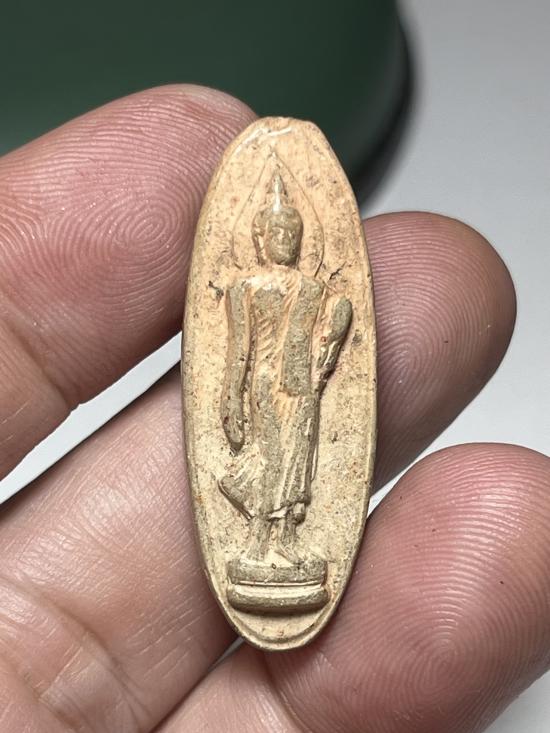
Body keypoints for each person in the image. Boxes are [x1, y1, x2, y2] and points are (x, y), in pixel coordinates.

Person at [0, 84, 547, 733]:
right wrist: (230, 399)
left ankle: (285, 543)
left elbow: (329, 343)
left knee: (299, 469)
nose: (285, 239)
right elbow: (231, 353)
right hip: (263, 390)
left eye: (292, 232)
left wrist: (329, 343)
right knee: (266, 461)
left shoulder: (313, 286)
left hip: (305, 393)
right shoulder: (248, 286)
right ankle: (259, 543)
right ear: (263, 234)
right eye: (277, 231)